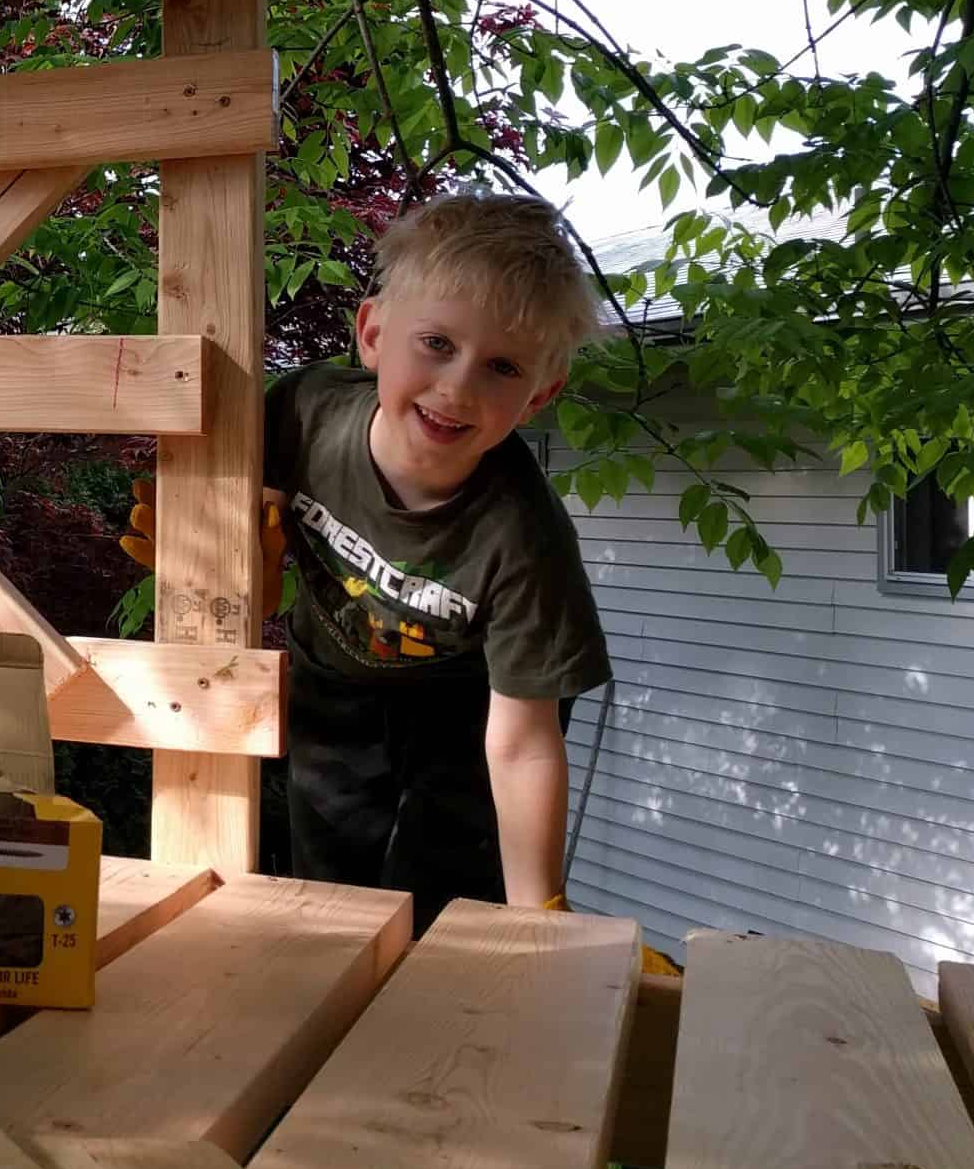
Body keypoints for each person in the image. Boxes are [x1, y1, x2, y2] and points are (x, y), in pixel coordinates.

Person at [126, 190, 611, 934]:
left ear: (540, 394)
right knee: (326, 885)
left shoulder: (524, 538)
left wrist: (538, 914)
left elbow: (520, 746)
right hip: (335, 676)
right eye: (438, 345)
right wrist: (222, 570)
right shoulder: (305, 415)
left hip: (470, 709)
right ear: (373, 332)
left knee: (448, 897)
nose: (457, 388)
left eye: (502, 368)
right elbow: (242, 594)